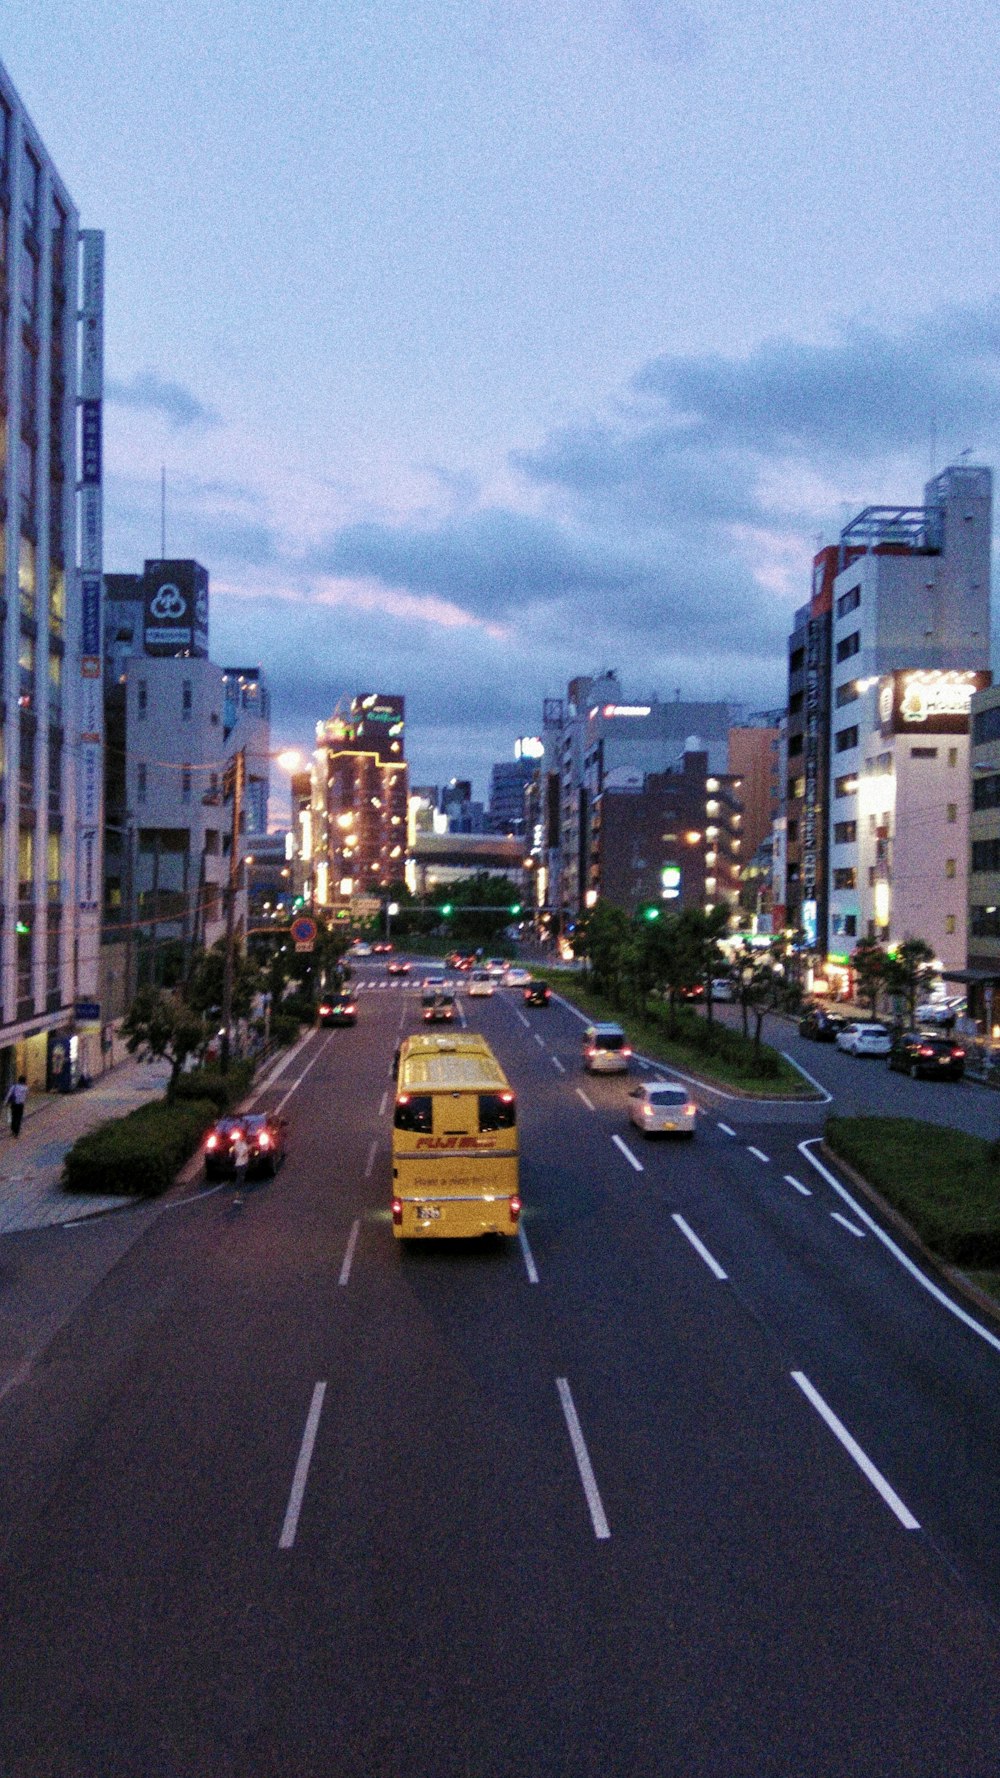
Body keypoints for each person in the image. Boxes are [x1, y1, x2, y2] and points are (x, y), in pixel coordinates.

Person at [232, 1128, 249, 1195]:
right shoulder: (238, 1143)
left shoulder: (242, 1143)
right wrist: (248, 1149)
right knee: (240, 1178)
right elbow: (241, 1153)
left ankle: (239, 1192)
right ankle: (237, 1192)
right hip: (240, 1164)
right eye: (244, 1136)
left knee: (242, 1177)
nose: (245, 1138)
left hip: (244, 1163)